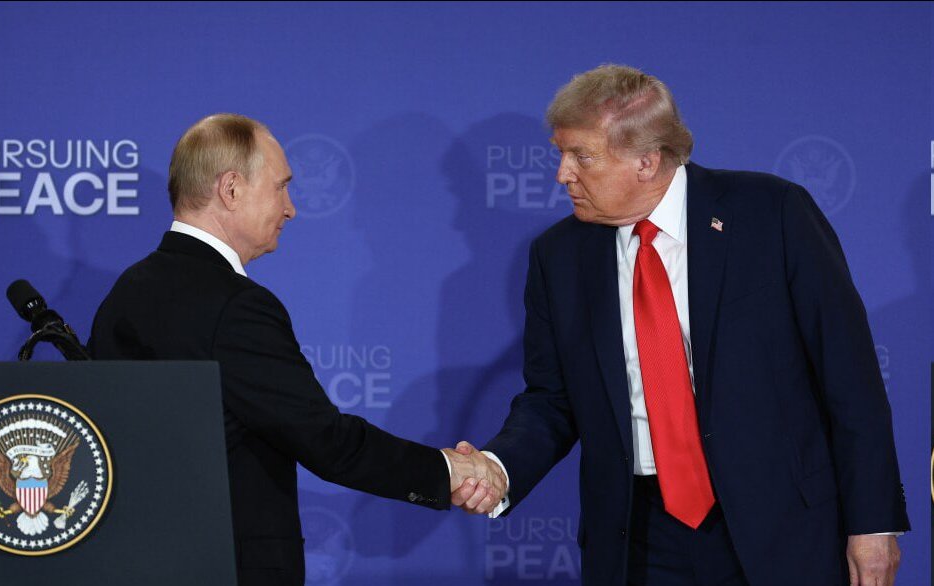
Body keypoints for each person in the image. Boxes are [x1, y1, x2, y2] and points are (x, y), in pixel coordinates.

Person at [450, 65, 909, 586]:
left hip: (781, 526)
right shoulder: (559, 257)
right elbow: (551, 400)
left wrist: (873, 523)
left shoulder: (772, 214)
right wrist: (499, 467)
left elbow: (849, 377)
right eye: (561, 153)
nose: (562, 174)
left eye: (581, 156)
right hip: (639, 538)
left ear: (646, 160)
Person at [88, 114, 506, 586]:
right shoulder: (237, 306)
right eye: (281, 187)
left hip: (135, 563)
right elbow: (325, 440)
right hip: (229, 567)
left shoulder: (125, 293)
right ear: (231, 189)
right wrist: (447, 471)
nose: (291, 209)